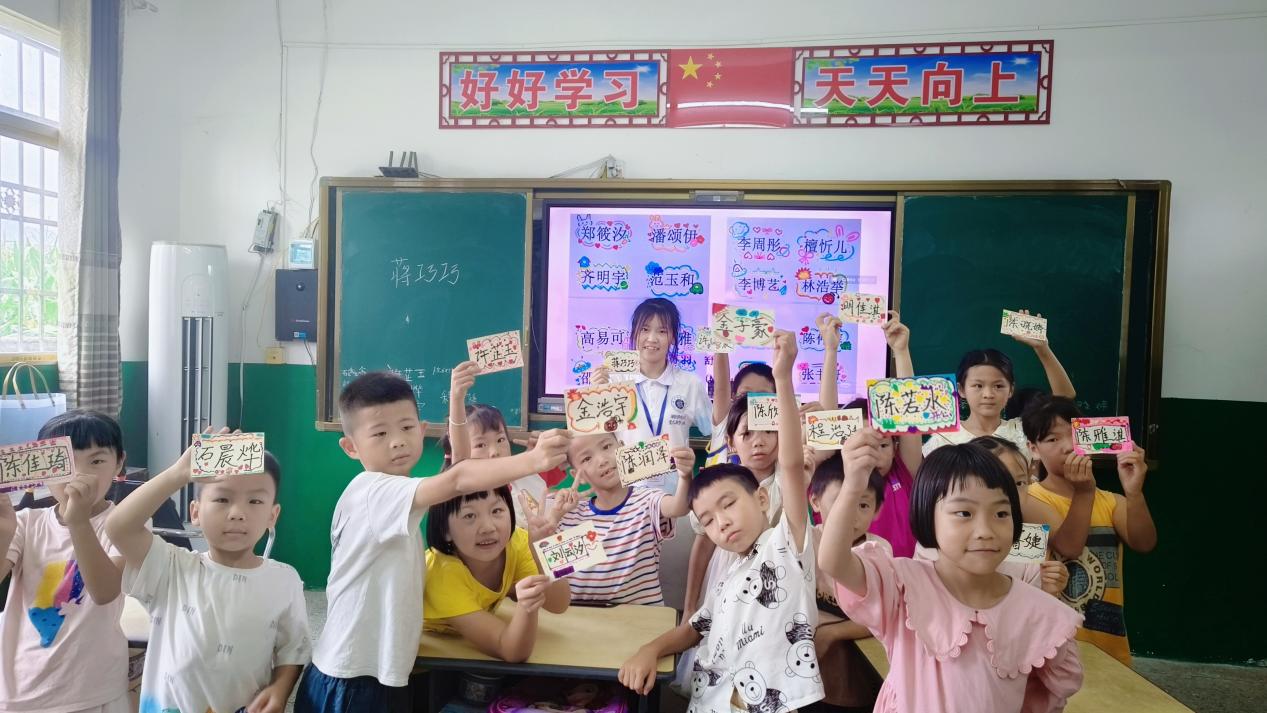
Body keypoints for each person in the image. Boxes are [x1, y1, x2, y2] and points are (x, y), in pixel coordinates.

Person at [295, 371, 570, 712]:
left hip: (375, 671)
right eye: (380, 433)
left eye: (406, 428)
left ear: (422, 430)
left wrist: (456, 400)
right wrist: (532, 460)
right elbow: (458, 479)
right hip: (352, 678)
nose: (397, 441)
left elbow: (459, 469)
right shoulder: (373, 492)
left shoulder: (397, 495)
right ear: (351, 446)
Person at [820, 432, 1083, 712]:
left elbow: (1051, 692)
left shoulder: (1038, 611)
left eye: (1001, 514)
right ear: (927, 515)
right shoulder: (902, 585)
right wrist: (853, 486)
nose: (985, 531)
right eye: (964, 513)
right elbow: (834, 562)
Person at [107, 439, 309, 713]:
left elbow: (293, 648)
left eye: (255, 501)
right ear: (195, 512)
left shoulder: (284, 580)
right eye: (222, 499)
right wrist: (178, 474)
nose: (237, 513)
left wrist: (280, 689)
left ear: (272, 515)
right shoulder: (171, 567)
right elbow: (119, 527)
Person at [1, 411, 133, 712]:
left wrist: (79, 521)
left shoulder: (125, 524)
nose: (79, 475)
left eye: (96, 461)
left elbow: (104, 592)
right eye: (64, 463)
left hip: (93, 691)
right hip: (20, 688)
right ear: (41, 468)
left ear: (119, 463)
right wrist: (4, 532)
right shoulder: (26, 523)